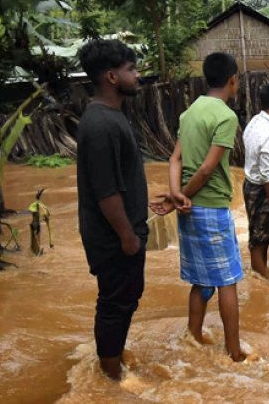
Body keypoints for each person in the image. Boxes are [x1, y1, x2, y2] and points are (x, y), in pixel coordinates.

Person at [75, 39, 182, 380]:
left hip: (123, 230)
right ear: (110, 76)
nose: (137, 76)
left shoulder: (111, 117)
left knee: (125, 297)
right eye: (131, 70)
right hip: (114, 236)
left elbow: (118, 180)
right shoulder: (101, 125)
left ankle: (114, 358)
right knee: (115, 302)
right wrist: (127, 237)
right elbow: (105, 192)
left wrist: (141, 204)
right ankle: (110, 379)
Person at [168, 51, 246, 362]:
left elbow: (175, 159)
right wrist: (183, 195)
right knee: (228, 280)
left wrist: (176, 196)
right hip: (211, 208)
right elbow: (206, 170)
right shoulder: (226, 116)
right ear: (232, 80)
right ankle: (234, 351)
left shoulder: (189, 113)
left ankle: (194, 338)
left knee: (201, 280)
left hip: (188, 212)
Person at [242, 84, 269, 279]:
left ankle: (261, 275)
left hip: (251, 185)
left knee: (259, 234)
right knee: (262, 237)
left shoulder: (254, 122)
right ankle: (262, 278)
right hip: (264, 190)